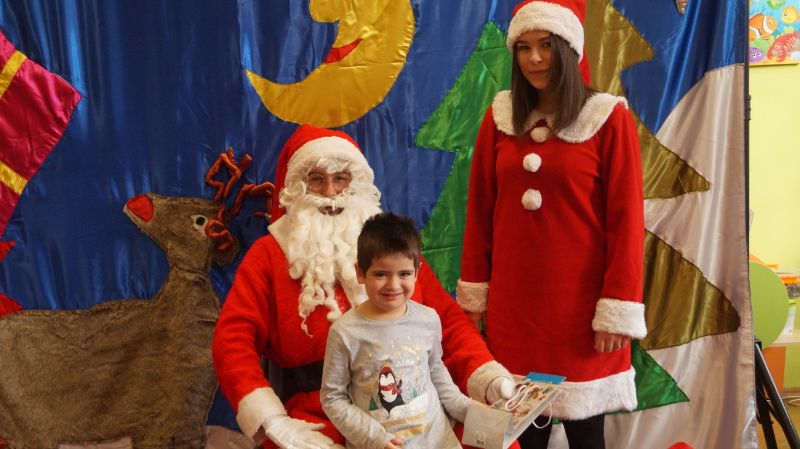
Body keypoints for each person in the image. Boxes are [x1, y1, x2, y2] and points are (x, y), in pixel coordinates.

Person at [212, 124, 514, 449]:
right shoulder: (269, 255)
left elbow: (449, 322)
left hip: (412, 393)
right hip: (321, 408)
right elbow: (232, 339)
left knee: (498, 441)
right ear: (298, 186)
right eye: (317, 179)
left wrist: (486, 375)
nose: (330, 193)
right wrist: (272, 420)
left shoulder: (388, 246)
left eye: (340, 178)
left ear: (355, 182)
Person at [456, 1, 647, 448]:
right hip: (514, 313)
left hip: (581, 313)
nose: (535, 58)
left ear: (568, 48)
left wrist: (617, 307)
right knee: (519, 437)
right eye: (523, 48)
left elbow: (626, 223)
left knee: (586, 437)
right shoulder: (500, 117)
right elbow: (479, 212)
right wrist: (474, 295)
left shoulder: (607, 118)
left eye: (545, 45)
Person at [321, 213, 477, 449]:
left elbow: (435, 371)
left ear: (416, 273)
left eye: (404, 274)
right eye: (380, 274)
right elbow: (332, 398)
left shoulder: (428, 319)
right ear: (360, 273)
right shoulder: (344, 332)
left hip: (438, 441)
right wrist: (376, 439)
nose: (393, 285)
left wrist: (467, 409)